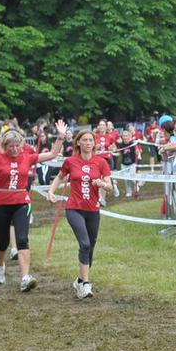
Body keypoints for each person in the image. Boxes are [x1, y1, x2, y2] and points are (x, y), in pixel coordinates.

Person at [0, 128, 63, 292]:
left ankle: (25, 277)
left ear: (21, 145)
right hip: (1, 203)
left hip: (21, 202)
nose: (14, 149)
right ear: (5, 146)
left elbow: (53, 154)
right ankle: (0, 266)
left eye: (17, 146)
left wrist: (60, 137)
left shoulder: (27, 157)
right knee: (3, 242)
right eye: (10, 146)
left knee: (22, 239)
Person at [47, 121, 111, 299]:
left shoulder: (101, 162)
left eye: (91, 140)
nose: (88, 143)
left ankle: (80, 280)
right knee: (85, 244)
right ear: (78, 143)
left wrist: (102, 183)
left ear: (94, 143)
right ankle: (86, 285)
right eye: (85, 140)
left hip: (93, 210)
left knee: (90, 248)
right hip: (74, 208)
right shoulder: (70, 161)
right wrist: (51, 192)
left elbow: (110, 186)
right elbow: (59, 177)